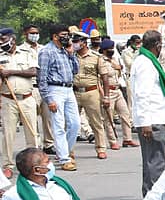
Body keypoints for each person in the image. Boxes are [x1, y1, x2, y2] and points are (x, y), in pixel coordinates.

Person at [131, 30, 165, 196]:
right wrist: (145, 123)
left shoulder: (147, 60)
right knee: (156, 160)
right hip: (152, 119)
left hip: (155, 117)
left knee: (152, 159)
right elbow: (142, 94)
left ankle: (151, 194)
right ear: (157, 46)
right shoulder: (145, 63)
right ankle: (155, 197)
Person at [37, 24, 80, 171]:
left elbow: (76, 70)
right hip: (55, 89)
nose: (67, 38)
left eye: (68, 35)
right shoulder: (46, 52)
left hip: (69, 89)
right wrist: (48, 99)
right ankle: (64, 158)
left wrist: (71, 54)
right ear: (55, 36)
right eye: (64, 35)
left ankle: (64, 150)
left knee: (75, 124)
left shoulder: (65, 51)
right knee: (59, 125)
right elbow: (41, 78)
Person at [0, 28, 39, 178]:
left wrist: (10, 72)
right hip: (8, 99)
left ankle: (33, 164)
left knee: (32, 133)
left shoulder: (27, 53)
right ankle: (7, 165)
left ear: (12, 39)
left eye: (3, 39)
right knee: (8, 134)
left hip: (27, 98)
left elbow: (33, 72)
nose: (1, 42)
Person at [72, 30, 110, 160]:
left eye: (77, 41)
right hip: (74, 91)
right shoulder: (71, 56)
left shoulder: (96, 57)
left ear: (83, 43)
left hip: (91, 92)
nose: (74, 44)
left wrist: (106, 96)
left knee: (96, 121)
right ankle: (69, 150)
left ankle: (101, 148)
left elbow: (105, 78)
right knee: (71, 122)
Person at [19, 25, 55, 155]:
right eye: (32, 33)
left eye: (36, 33)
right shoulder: (20, 51)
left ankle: (49, 144)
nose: (34, 35)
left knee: (48, 117)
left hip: (45, 86)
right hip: (31, 86)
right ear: (25, 34)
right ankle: (36, 145)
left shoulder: (44, 49)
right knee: (32, 119)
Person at [98, 39, 137, 151]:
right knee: (109, 118)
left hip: (117, 89)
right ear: (104, 50)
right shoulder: (100, 61)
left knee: (125, 113)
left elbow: (119, 73)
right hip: (108, 91)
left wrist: (119, 67)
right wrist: (103, 96)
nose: (112, 50)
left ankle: (127, 138)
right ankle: (112, 141)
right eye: (109, 48)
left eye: (112, 48)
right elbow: (98, 81)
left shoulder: (114, 59)